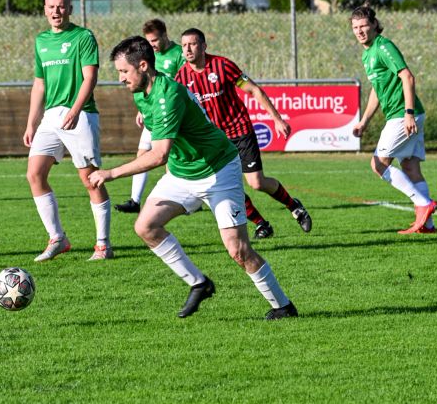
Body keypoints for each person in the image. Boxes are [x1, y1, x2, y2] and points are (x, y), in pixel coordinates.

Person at [88, 36, 297, 319]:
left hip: (217, 171)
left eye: (124, 71)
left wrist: (111, 173)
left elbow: (159, 153)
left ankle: (283, 306)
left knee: (238, 250)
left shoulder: (168, 95)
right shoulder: (141, 93)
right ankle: (199, 283)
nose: (120, 78)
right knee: (146, 226)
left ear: (143, 65)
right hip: (181, 174)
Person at [174, 28, 311, 239]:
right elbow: (174, 104)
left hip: (239, 131)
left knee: (256, 182)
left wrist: (276, 118)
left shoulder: (222, 65)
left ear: (203, 46)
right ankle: (261, 224)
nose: (188, 49)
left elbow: (253, 89)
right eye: (184, 45)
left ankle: (295, 206)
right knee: (225, 184)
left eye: (192, 44)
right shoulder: (181, 77)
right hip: (214, 140)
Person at [23, 0, 113, 261]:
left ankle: (103, 245)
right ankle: (58, 238)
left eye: (61, 6)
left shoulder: (83, 37)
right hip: (51, 117)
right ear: (45, 9)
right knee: (34, 174)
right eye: (51, 7)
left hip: (81, 114)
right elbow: (39, 84)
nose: (56, 12)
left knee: (90, 180)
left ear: (70, 9)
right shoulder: (41, 41)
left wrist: (74, 110)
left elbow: (90, 77)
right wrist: (31, 123)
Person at [350, 6, 437, 234]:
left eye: (363, 26)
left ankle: (423, 204)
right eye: (355, 28)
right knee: (409, 166)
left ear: (374, 25)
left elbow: (407, 76)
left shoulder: (383, 46)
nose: (359, 31)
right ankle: (428, 225)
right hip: (405, 113)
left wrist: (408, 113)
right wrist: (364, 121)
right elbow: (377, 90)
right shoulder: (367, 54)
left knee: (378, 164)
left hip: (403, 114)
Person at [115, 18, 185, 214]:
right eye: (149, 41)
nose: (152, 45)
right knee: (143, 153)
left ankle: (183, 197)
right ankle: (135, 200)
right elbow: (146, 87)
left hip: (171, 110)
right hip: (153, 111)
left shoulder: (178, 53)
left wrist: (112, 173)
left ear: (164, 35)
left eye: (155, 40)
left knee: (169, 154)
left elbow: (184, 81)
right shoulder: (144, 60)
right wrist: (143, 109)